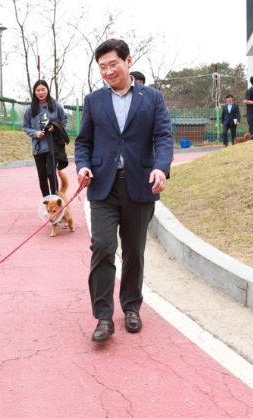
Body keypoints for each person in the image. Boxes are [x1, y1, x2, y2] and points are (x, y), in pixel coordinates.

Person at [74, 39, 174, 342]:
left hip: (140, 185)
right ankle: (103, 317)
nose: (107, 71)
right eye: (102, 67)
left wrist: (160, 167)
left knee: (134, 251)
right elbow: (83, 142)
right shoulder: (93, 101)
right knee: (103, 247)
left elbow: (163, 137)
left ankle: (131, 306)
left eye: (112, 64)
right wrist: (83, 165)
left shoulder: (152, 98)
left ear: (127, 61)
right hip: (103, 186)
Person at [23, 79, 68, 197]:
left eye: (43, 89)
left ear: (47, 90)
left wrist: (55, 127)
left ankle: (56, 199)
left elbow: (63, 121)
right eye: (38, 90)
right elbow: (26, 127)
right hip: (38, 148)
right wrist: (35, 133)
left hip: (52, 146)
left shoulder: (56, 105)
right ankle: (46, 201)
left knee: (51, 173)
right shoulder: (30, 109)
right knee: (42, 175)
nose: (40, 92)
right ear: (34, 92)